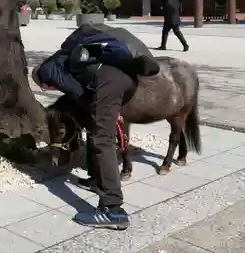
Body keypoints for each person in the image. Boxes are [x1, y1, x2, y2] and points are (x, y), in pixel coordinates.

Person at [32, 23, 160, 230]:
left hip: (110, 81)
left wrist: (107, 109)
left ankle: (112, 209)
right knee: (96, 128)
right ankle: (97, 181)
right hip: (128, 80)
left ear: (44, 83)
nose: (48, 89)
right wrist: (109, 109)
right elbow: (89, 97)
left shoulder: (50, 70)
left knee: (102, 139)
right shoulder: (66, 60)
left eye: (44, 87)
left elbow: (81, 95)